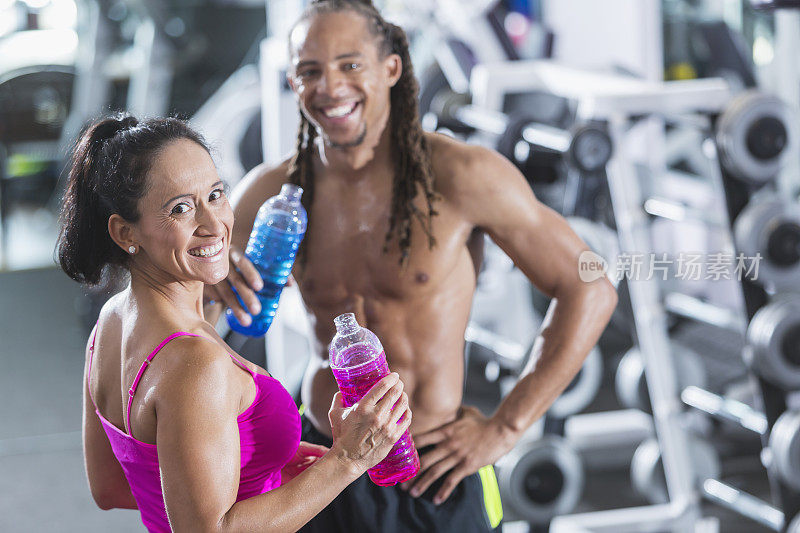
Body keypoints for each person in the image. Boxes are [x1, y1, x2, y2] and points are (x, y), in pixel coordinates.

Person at [205, 1, 618, 531]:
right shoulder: (272, 193)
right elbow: (189, 315)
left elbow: (591, 285)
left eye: (350, 64)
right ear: (293, 81)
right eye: (311, 70)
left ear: (391, 69)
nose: (330, 87)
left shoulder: (462, 176)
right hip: (321, 463)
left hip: (430, 470)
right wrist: (217, 287)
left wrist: (507, 426)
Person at [57, 113, 413, 532]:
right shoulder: (194, 364)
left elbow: (112, 488)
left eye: (215, 194)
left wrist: (254, 467)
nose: (214, 225)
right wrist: (348, 459)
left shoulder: (111, 323)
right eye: (181, 208)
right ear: (124, 233)